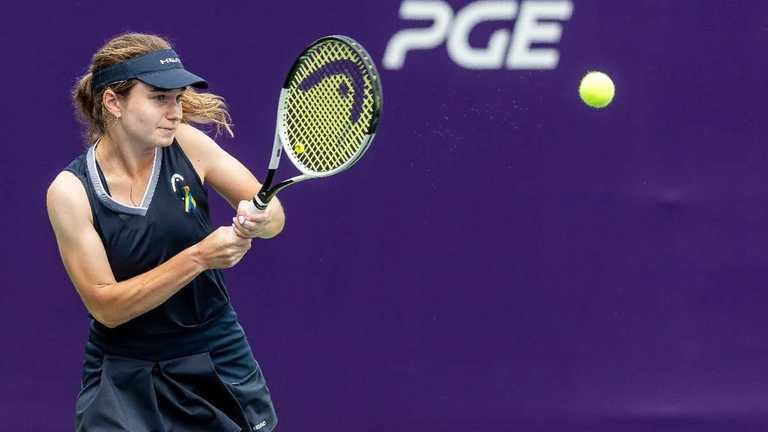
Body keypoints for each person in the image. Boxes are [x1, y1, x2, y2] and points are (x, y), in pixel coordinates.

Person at [46, 32, 284, 431]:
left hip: (214, 354)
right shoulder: (70, 192)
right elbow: (107, 307)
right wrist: (200, 257)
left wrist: (261, 219)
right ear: (113, 102)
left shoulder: (188, 144)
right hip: (123, 373)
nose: (175, 112)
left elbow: (273, 214)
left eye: (177, 98)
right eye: (159, 98)